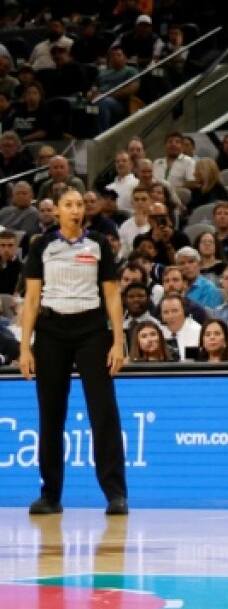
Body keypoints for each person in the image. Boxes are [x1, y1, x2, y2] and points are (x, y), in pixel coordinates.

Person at [18, 187, 128, 515]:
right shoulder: (43, 246)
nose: (75, 209)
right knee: (51, 414)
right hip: (51, 332)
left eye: (80, 204)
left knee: (103, 412)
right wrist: (25, 348)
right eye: (69, 204)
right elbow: (32, 300)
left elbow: (111, 296)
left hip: (92, 331)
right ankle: (50, 494)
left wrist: (118, 341)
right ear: (56, 211)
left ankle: (115, 494)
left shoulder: (98, 245)